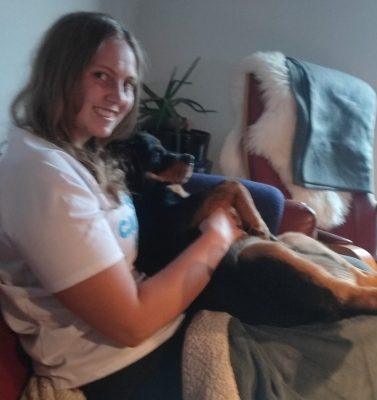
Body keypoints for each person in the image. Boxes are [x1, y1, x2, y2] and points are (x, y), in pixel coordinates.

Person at [0, 11, 284, 399]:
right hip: (119, 365)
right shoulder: (41, 174)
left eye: (128, 84)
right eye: (101, 76)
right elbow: (131, 324)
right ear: (60, 73)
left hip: (166, 329)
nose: (119, 97)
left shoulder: (83, 151)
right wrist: (218, 236)